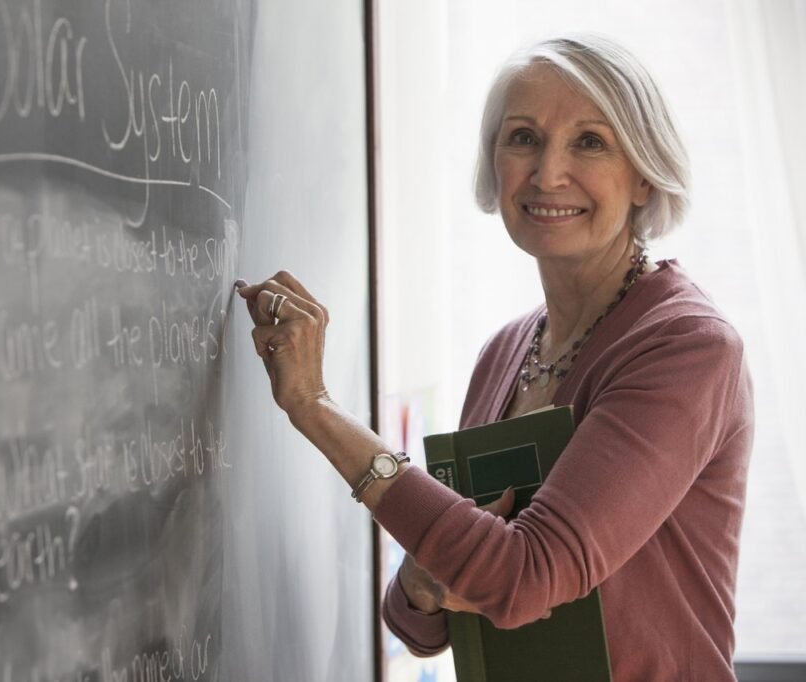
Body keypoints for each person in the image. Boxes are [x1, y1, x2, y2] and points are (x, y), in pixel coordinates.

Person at [235, 33, 753, 681]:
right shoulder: (505, 352)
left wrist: (314, 408)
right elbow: (419, 624)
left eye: (589, 141)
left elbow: (520, 580)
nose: (547, 173)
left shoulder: (685, 347)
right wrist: (426, 585)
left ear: (645, 174)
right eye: (523, 138)